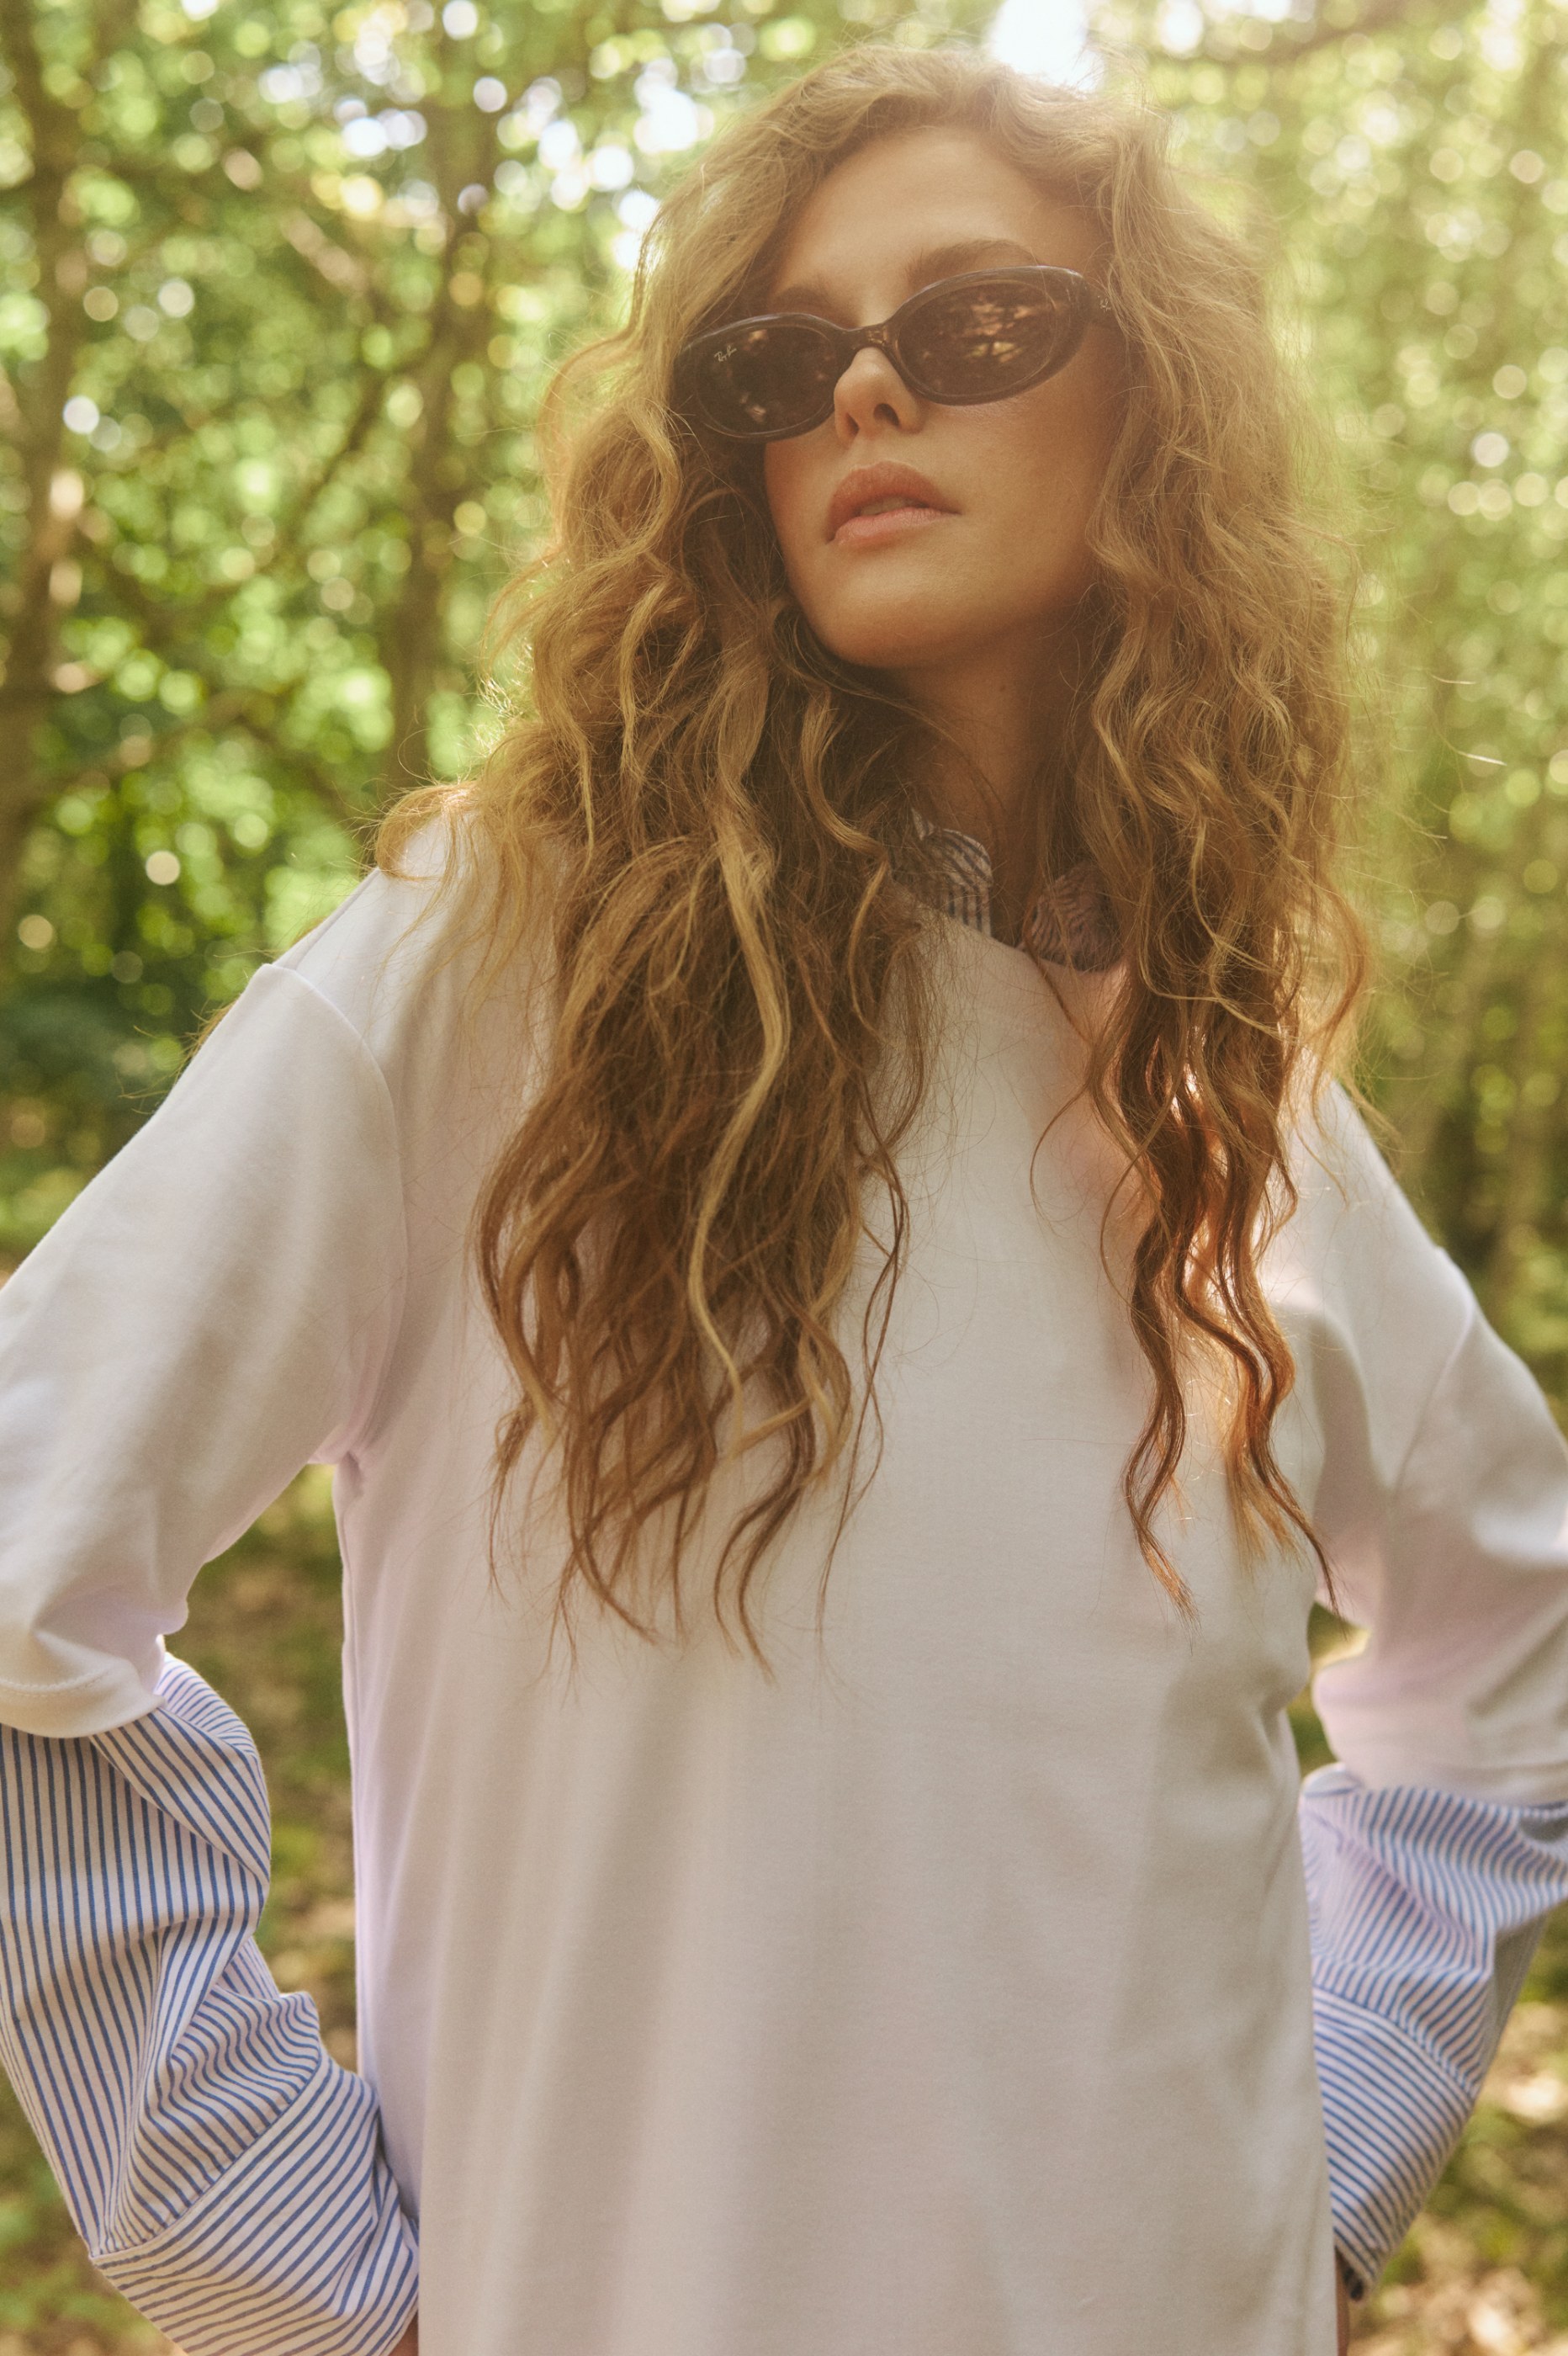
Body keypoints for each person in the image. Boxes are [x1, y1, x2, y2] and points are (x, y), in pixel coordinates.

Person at [3, 42, 1568, 2356]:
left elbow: (1514, 1665)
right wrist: (285, 2265)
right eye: (781, 355)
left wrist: (1322, 2172)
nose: (860, 389)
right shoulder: (483, 989)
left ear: (1149, 403)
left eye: (972, 325)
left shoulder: (1241, 1107)